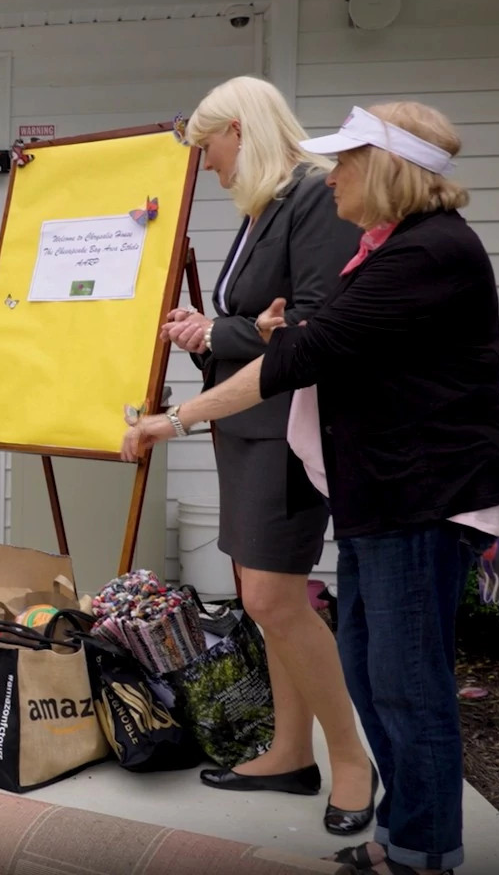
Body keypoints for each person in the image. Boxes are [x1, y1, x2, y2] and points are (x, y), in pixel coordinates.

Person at [123, 102, 499, 875]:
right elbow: (320, 335)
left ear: (386, 171)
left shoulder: (428, 253)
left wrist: (172, 421)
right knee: (376, 673)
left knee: (409, 687)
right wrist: (281, 331)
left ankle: (423, 852)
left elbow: (312, 352)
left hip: (420, 500)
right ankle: (406, 835)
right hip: (381, 499)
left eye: (345, 163)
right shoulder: (388, 248)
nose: (331, 176)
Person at [165, 76, 375, 833]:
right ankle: (290, 752)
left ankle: (350, 762)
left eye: (210, 149)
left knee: (273, 600)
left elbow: (311, 326)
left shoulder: (315, 199)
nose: (209, 166)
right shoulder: (266, 209)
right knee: (265, 599)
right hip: (246, 427)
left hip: (287, 427)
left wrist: (223, 333)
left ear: (242, 130)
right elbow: (256, 324)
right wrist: (218, 329)